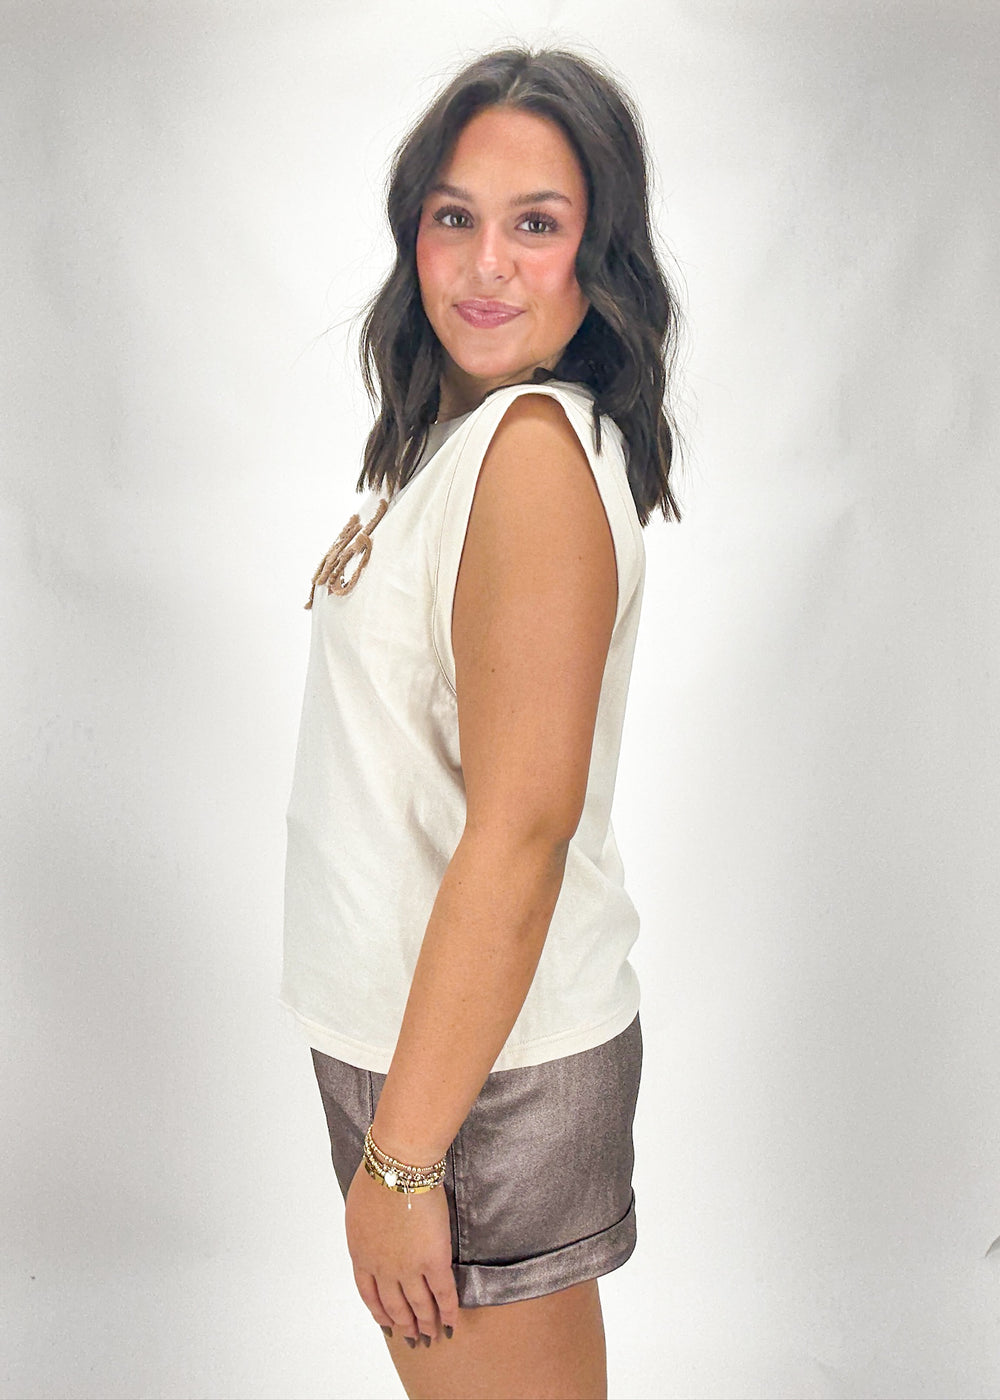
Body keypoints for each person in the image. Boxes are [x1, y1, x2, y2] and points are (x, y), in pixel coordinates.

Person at [281, 43, 685, 1400]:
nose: (486, 264)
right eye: (456, 216)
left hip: (473, 1083)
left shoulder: (528, 460)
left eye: (538, 223)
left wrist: (406, 1161)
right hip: (433, 1053)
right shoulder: (467, 444)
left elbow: (521, 831)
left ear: (598, 258)